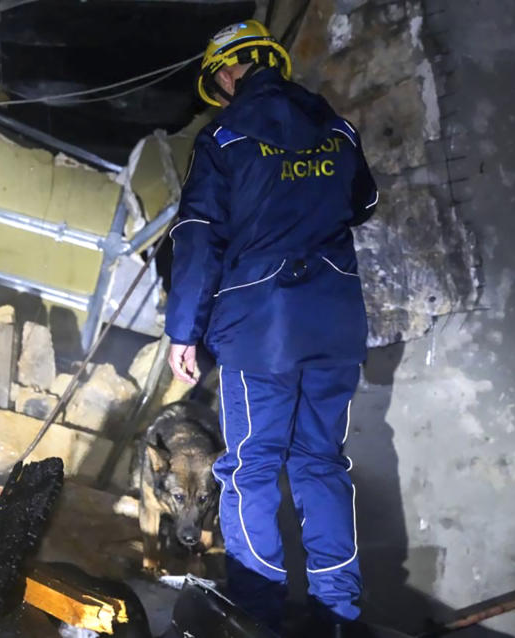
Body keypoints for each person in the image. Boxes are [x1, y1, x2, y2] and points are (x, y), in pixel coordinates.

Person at [164, 19, 380, 637]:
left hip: (261, 327)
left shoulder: (225, 136)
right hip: (335, 321)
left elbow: (199, 238)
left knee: (251, 469)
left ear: (229, 72)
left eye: (220, 81)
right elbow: (363, 202)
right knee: (321, 464)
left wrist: (185, 330)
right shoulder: (333, 124)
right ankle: (339, 617)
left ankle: (256, 618)